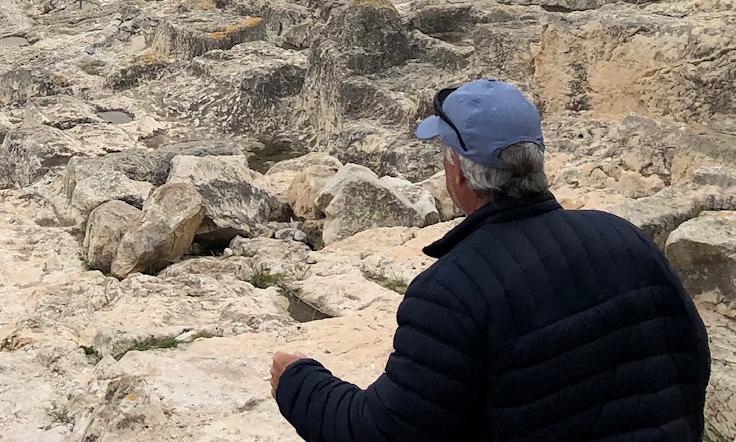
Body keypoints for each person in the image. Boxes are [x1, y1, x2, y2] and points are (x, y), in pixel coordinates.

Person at [270, 79, 709, 442]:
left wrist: (299, 382)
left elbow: (384, 432)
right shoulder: (624, 236)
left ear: (457, 174)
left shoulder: (450, 292)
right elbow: (691, 358)